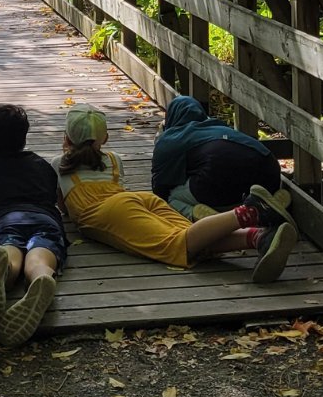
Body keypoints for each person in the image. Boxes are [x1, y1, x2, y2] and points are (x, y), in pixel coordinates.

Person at [54, 105, 297, 283]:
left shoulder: (58, 164)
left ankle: (251, 211)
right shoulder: (114, 160)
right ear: (105, 138)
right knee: (191, 239)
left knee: (176, 244)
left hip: (108, 212)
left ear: (65, 137)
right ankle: (257, 237)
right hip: (140, 199)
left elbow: (64, 209)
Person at [0, 103, 67, 345]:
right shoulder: (41, 165)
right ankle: (41, 278)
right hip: (44, 218)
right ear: (24, 139)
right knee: (40, 254)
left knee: (10, 248)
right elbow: (52, 195)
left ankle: (3, 270)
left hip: (5, 220)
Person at [151, 95, 294, 228]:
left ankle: (205, 215)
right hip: (269, 170)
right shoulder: (220, 127)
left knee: (171, 197)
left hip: (217, 178)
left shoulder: (170, 139)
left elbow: (159, 189)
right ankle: (268, 202)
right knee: (236, 183)